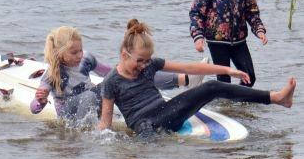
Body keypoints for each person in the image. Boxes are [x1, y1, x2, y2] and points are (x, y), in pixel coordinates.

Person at [98, 19, 296, 135]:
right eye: (140, 61)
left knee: (211, 88)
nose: (144, 65)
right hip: (143, 125)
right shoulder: (111, 82)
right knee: (148, 150)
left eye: (147, 60)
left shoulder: (151, 65)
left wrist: (227, 71)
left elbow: (190, 67)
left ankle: (276, 98)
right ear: (125, 55)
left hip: (167, 112)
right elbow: (105, 123)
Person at [30, 26, 206, 124]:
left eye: (80, 50)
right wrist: (41, 101)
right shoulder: (52, 73)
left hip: (93, 100)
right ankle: (88, 130)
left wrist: (126, 70)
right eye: (74, 52)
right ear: (60, 53)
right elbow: (34, 108)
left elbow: (110, 72)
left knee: (133, 73)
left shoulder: (86, 59)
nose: (79, 55)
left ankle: (185, 80)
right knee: (89, 96)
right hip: (70, 113)